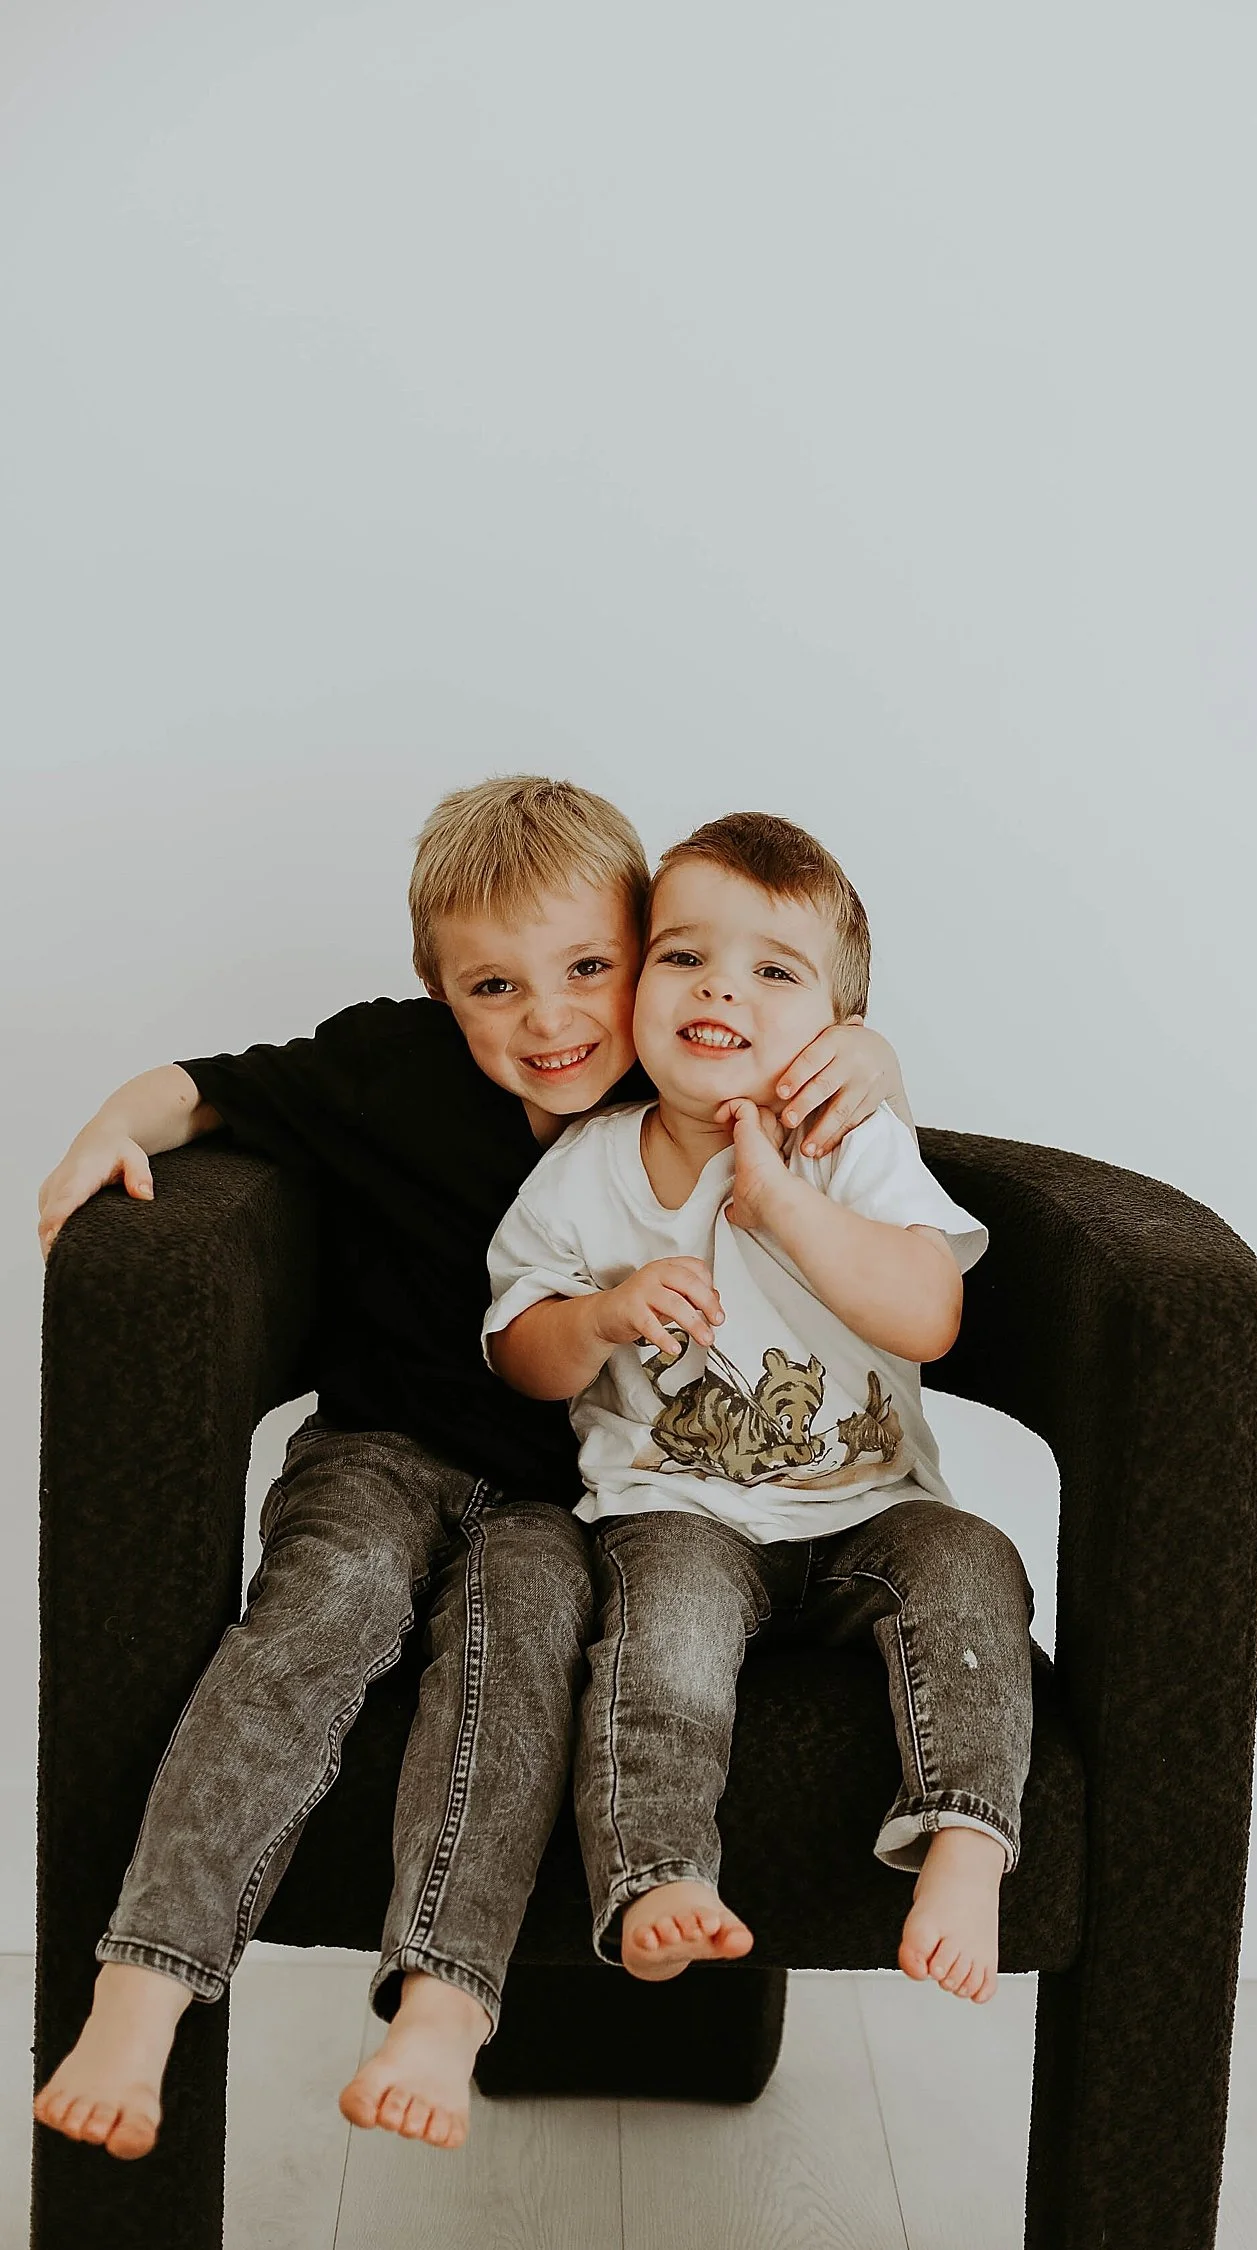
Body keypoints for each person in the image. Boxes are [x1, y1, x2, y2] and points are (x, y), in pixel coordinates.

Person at [33, 776, 911, 2159]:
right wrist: (106, 1130)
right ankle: (143, 1985)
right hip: (383, 1446)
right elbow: (201, 1090)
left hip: (569, 1505)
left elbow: (831, 1076)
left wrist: (882, 1063)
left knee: (516, 1665)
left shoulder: (675, 1074)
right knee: (315, 1619)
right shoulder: (394, 1064)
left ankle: (442, 2007)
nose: (549, 1018)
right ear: (439, 989)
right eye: (493, 985)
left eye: (587, 971)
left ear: (645, 957)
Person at [485, 811, 1035, 2006]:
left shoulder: (847, 1141)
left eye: (772, 970)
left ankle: (965, 1838)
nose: (718, 986)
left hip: (870, 1512)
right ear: (636, 987)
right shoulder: (587, 1166)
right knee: (659, 1633)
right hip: (677, 1513)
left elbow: (931, 1309)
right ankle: (657, 1874)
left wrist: (787, 1207)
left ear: (839, 1030)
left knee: (974, 1563)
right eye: (682, 956)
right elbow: (519, 1351)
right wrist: (603, 1315)